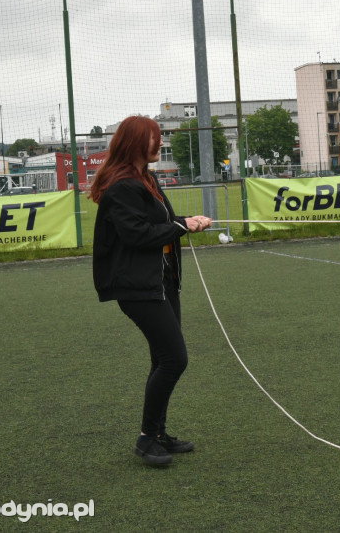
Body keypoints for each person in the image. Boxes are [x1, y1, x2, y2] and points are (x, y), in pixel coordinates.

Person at [89, 115, 213, 466]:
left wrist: (189, 222)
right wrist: (182, 226)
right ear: (136, 143)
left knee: (163, 358)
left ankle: (158, 433)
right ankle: (146, 439)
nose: (160, 144)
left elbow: (161, 224)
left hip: (162, 282)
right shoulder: (121, 187)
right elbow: (138, 235)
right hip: (138, 287)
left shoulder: (147, 179)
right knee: (175, 358)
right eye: (155, 138)